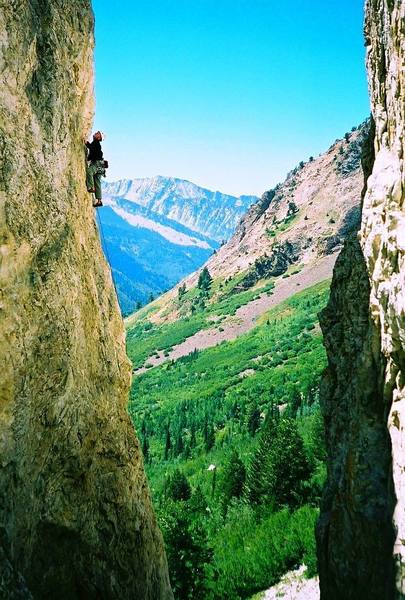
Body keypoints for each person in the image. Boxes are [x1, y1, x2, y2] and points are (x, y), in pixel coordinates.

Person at [84, 131, 105, 207]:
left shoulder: (96, 143)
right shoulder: (96, 143)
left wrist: (86, 143)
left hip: (97, 164)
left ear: (99, 138)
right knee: (97, 182)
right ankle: (99, 201)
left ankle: (91, 187)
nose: (96, 133)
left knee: (89, 172)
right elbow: (93, 152)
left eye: (98, 133)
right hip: (101, 166)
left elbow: (91, 148)